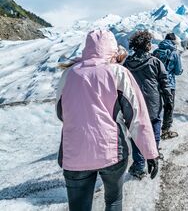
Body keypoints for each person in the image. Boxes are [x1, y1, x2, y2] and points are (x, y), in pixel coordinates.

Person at [56, 30, 159, 211]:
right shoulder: (118, 72)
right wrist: (150, 153)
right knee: (113, 201)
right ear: (112, 48)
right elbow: (137, 117)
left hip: (75, 153)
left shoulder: (69, 74)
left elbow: (61, 112)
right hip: (111, 151)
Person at [124, 30, 173, 178]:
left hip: (134, 105)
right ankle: (154, 154)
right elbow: (165, 84)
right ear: (146, 45)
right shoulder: (155, 62)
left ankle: (139, 165)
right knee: (154, 128)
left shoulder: (126, 63)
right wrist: (168, 102)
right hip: (153, 104)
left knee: (136, 132)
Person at [153, 33, 183, 140]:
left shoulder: (156, 51)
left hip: (156, 83)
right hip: (169, 84)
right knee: (169, 106)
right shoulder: (174, 53)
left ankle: (153, 130)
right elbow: (178, 71)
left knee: (156, 107)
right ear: (174, 41)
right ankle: (166, 130)